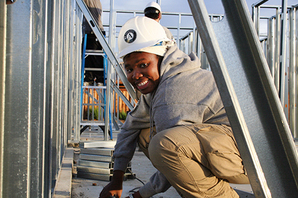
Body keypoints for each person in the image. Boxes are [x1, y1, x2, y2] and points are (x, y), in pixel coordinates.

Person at [99, 16, 249, 198]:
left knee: (164, 146)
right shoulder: (158, 86)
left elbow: (170, 152)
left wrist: (140, 195)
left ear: (163, 57)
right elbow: (130, 126)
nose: (135, 75)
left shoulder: (173, 92)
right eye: (129, 69)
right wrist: (117, 178)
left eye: (143, 65)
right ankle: (197, 189)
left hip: (250, 158)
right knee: (145, 135)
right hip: (228, 149)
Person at [82, 0, 105, 84]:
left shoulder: (92, 1)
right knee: (88, 56)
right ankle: (90, 78)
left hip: (94, 31)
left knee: (95, 56)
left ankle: (99, 78)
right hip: (90, 31)